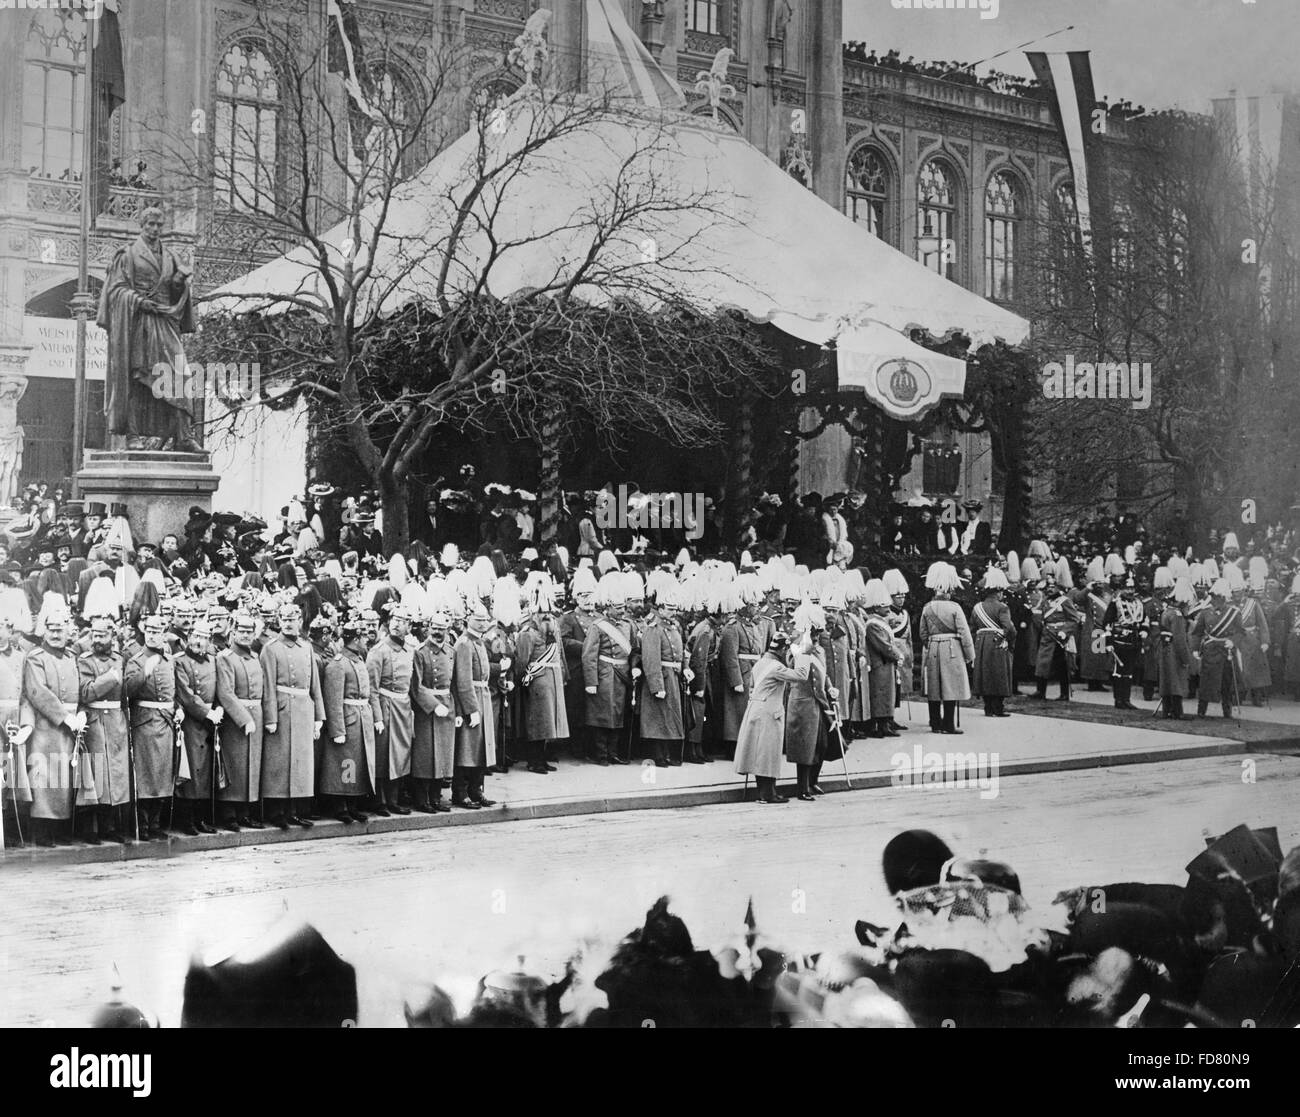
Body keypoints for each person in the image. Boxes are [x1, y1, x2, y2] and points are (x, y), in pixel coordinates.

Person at [97, 207, 201, 451]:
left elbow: (179, 291)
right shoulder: (128, 254)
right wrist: (139, 301)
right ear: (141, 225)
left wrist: (178, 285)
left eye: (158, 225)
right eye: (150, 225)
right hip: (139, 323)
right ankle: (132, 435)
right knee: (136, 377)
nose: (155, 229)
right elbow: (116, 291)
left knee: (180, 374)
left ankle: (183, 436)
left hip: (165, 322)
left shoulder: (171, 256)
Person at [22, 605, 85, 847]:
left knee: (64, 780)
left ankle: (60, 829)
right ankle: (42, 831)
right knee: (44, 780)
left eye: (60, 629)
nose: (56, 634)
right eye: (51, 629)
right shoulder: (36, 658)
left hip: (70, 729)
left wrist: (79, 715)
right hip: (45, 728)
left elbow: (78, 691)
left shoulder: (71, 657)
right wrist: (63, 716)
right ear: (44, 630)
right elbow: (38, 692)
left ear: (68, 630)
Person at [260, 603, 325, 829]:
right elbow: (267, 685)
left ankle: (295, 810)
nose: (289, 623)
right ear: (279, 621)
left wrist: (319, 717)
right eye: (285, 619)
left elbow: (314, 685)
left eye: (293, 619)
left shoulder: (306, 647)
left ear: (300, 621)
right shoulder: (270, 648)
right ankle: (277, 812)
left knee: (300, 764)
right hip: (281, 709)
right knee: (279, 763)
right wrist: (270, 717)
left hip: (304, 710)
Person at [734, 630, 808, 804]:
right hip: (769, 712)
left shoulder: (760, 663)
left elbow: (751, 687)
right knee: (767, 754)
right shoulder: (776, 667)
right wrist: (802, 655)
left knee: (758, 753)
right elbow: (801, 676)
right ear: (782, 650)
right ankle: (767, 794)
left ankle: (766, 791)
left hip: (755, 708)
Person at [77, 615, 131, 842]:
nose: (97, 640)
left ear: (112, 637)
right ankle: (91, 829)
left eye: (102, 635)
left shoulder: (120, 659)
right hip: (95, 720)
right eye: (94, 635)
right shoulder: (85, 661)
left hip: (116, 721)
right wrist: (110, 678)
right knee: (97, 774)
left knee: (117, 777)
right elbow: (86, 692)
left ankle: (111, 827)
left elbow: (127, 691)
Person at [322, 618, 382, 821]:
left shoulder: (358, 660)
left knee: (357, 763)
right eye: (364, 637)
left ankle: (353, 803)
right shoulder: (338, 664)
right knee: (345, 763)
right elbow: (333, 700)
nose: (367, 640)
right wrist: (337, 730)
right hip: (348, 720)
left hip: (361, 718)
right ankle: (341, 806)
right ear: (356, 639)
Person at [124, 614, 176, 840]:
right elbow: (126, 691)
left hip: (165, 721)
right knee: (145, 776)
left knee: (162, 775)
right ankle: (143, 824)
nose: (154, 635)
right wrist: (144, 671)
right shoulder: (135, 659)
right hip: (144, 723)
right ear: (144, 632)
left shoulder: (168, 660)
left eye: (159, 631)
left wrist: (179, 708)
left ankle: (155, 823)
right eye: (151, 631)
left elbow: (175, 689)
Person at [214, 610, 266, 830]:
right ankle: (229, 814)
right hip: (236, 719)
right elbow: (226, 693)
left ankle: (245, 812)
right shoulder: (225, 658)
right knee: (235, 765)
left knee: (252, 765)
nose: (245, 635)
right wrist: (244, 719)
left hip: (256, 714)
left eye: (249, 631)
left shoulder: (255, 658)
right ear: (233, 632)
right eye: (241, 630)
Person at [514, 575, 569, 774]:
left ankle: (543, 758)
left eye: (548, 612)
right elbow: (522, 661)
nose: (546, 616)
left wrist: (563, 675)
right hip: (536, 682)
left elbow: (559, 655)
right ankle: (534, 760)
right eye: (542, 613)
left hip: (552, 681)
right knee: (538, 723)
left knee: (549, 723)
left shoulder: (553, 630)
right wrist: (523, 681)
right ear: (534, 614)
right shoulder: (528, 633)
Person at [173, 620, 223, 836]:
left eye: (203, 637)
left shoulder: (213, 661)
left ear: (209, 640)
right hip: (191, 723)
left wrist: (219, 709)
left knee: (206, 773)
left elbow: (222, 687)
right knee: (192, 771)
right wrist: (207, 712)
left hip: (211, 724)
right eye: (195, 636)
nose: (198, 641)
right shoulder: (180, 662)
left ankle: (202, 818)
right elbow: (186, 694)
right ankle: (187, 820)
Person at [581, 574, 636, 766]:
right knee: (602, 715)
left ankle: (613, 752)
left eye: (622, 607)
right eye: (618, 607)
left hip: (622, 675)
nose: (622, 611)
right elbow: (589, 656)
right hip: (604, 674)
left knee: (619, 714)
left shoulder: (628, 626)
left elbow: (634, 651)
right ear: (608, 607)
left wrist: (635, 669)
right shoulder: (598, 627)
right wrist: (591, 682)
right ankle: (601, 754)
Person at [366, 603, 415, 815]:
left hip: (402, 707)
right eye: (394, 620)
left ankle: (393, 799)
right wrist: (377, 717)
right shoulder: (379, 651)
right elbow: (372, 689)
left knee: (400, 755)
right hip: (385, 707)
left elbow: (412, 684)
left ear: (409, 626)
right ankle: (380, 801)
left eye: (402, 621)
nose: (397, 625)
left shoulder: (409, 651)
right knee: (383, 755)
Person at [451, 600, 500, 808]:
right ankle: (460, 793)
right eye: (478, 620)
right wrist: (471, 709)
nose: (482, 623)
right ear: (468, 620)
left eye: (484, 620)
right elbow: (462, 681)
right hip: (472, 699)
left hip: (483, 695)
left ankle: (476, 789)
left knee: (481, 749)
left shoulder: (478, 642)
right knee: (467, 750)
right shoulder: (464, 643)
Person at [918, 563, 974, 734]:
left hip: (934, 648)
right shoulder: (955, 608)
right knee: (952, 687)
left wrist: (931, 644)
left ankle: (935, 723)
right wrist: (970, 655)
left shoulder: (927, 608)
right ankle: (948, 724)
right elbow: (964, 633)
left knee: (934, 688)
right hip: (952, 649)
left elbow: (922, 633)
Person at [635, 579, 685, 768]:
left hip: (673, 676)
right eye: (669, 609)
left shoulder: (673, 628)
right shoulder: (653, 628)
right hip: (661, 678)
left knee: (670, 718)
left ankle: (667, 753)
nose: (673, 613)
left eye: (674, 609)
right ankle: (658, 755)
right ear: (661, 609)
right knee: (657, 719)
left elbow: (680, 653)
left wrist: (685, 668)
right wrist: (656, 686)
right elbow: (650, 659)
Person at [1190, 578, 1245, 720]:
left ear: (1224, 598)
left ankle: (1227, 712)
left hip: (1226, 652)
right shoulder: (1205, 612)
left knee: (1227, 683)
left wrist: (1233, 641)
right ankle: (1201, 711)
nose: (1215, 600)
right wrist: (1195, 649)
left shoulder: (1234, 613)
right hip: (1210, 651)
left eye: (1218, 597)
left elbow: (1240, 632)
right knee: (1206, 682)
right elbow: (1197, 632)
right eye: (1213, 597)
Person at [861, 578, 904, 736]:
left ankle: (885, 724)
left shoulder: (879, 621)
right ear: (876, 607)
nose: (887, 608)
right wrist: (897, 655)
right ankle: (880, 725)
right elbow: (884, 645)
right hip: (880, 664)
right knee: (881, 694)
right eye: (883, 605)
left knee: (886, 694)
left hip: (885, 664)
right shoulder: (873, 624)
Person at [970, 568, 1015, 718]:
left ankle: (988, 707)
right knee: (999, 674)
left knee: (985, 674)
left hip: (981, 642)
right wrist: (1011, 641)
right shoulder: (1002, 607)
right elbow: (1008, 627)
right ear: (999, 592)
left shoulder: (977, 607)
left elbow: (972, 627)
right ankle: (998, 708)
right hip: (998, 642)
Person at [1033, 571, 1081, 701]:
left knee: (1062, 666)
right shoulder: (1045, 601)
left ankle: (1064, 693)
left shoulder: (1065, 601)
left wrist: (1064, 632)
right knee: (1042, 663)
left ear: (1059, 587)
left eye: (1053, 586)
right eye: (1048, 586)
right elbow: (1040, 617)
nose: (1050, 589)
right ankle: (1040, 691)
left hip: (1060, 637)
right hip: (1047, 636)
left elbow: (1074, 619)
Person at [1104, 575, 1145, 710]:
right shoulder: (1115, 603)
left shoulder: (1139, 603)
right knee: (1118, 671)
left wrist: (1144, 630)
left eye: (1132, 588)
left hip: (1133, 641)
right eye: (1127, 588)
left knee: (1129, 671)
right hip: (1118, 640)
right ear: (1122, 589)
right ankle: (1118, 700)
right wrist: (1108, 641)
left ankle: (1126, 699)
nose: (1130, 591)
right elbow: (1107, 623)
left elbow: (1144, 620)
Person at [1158, 576, 1195, 719]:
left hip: (1165, 650)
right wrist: (1186, 658)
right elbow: (1180, 640)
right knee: (1177, 682)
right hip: (1174, 651)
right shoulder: (1177, 615)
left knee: (1167, 681)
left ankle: (1167, 710)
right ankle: (1177, 711)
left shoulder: (1167, 611)